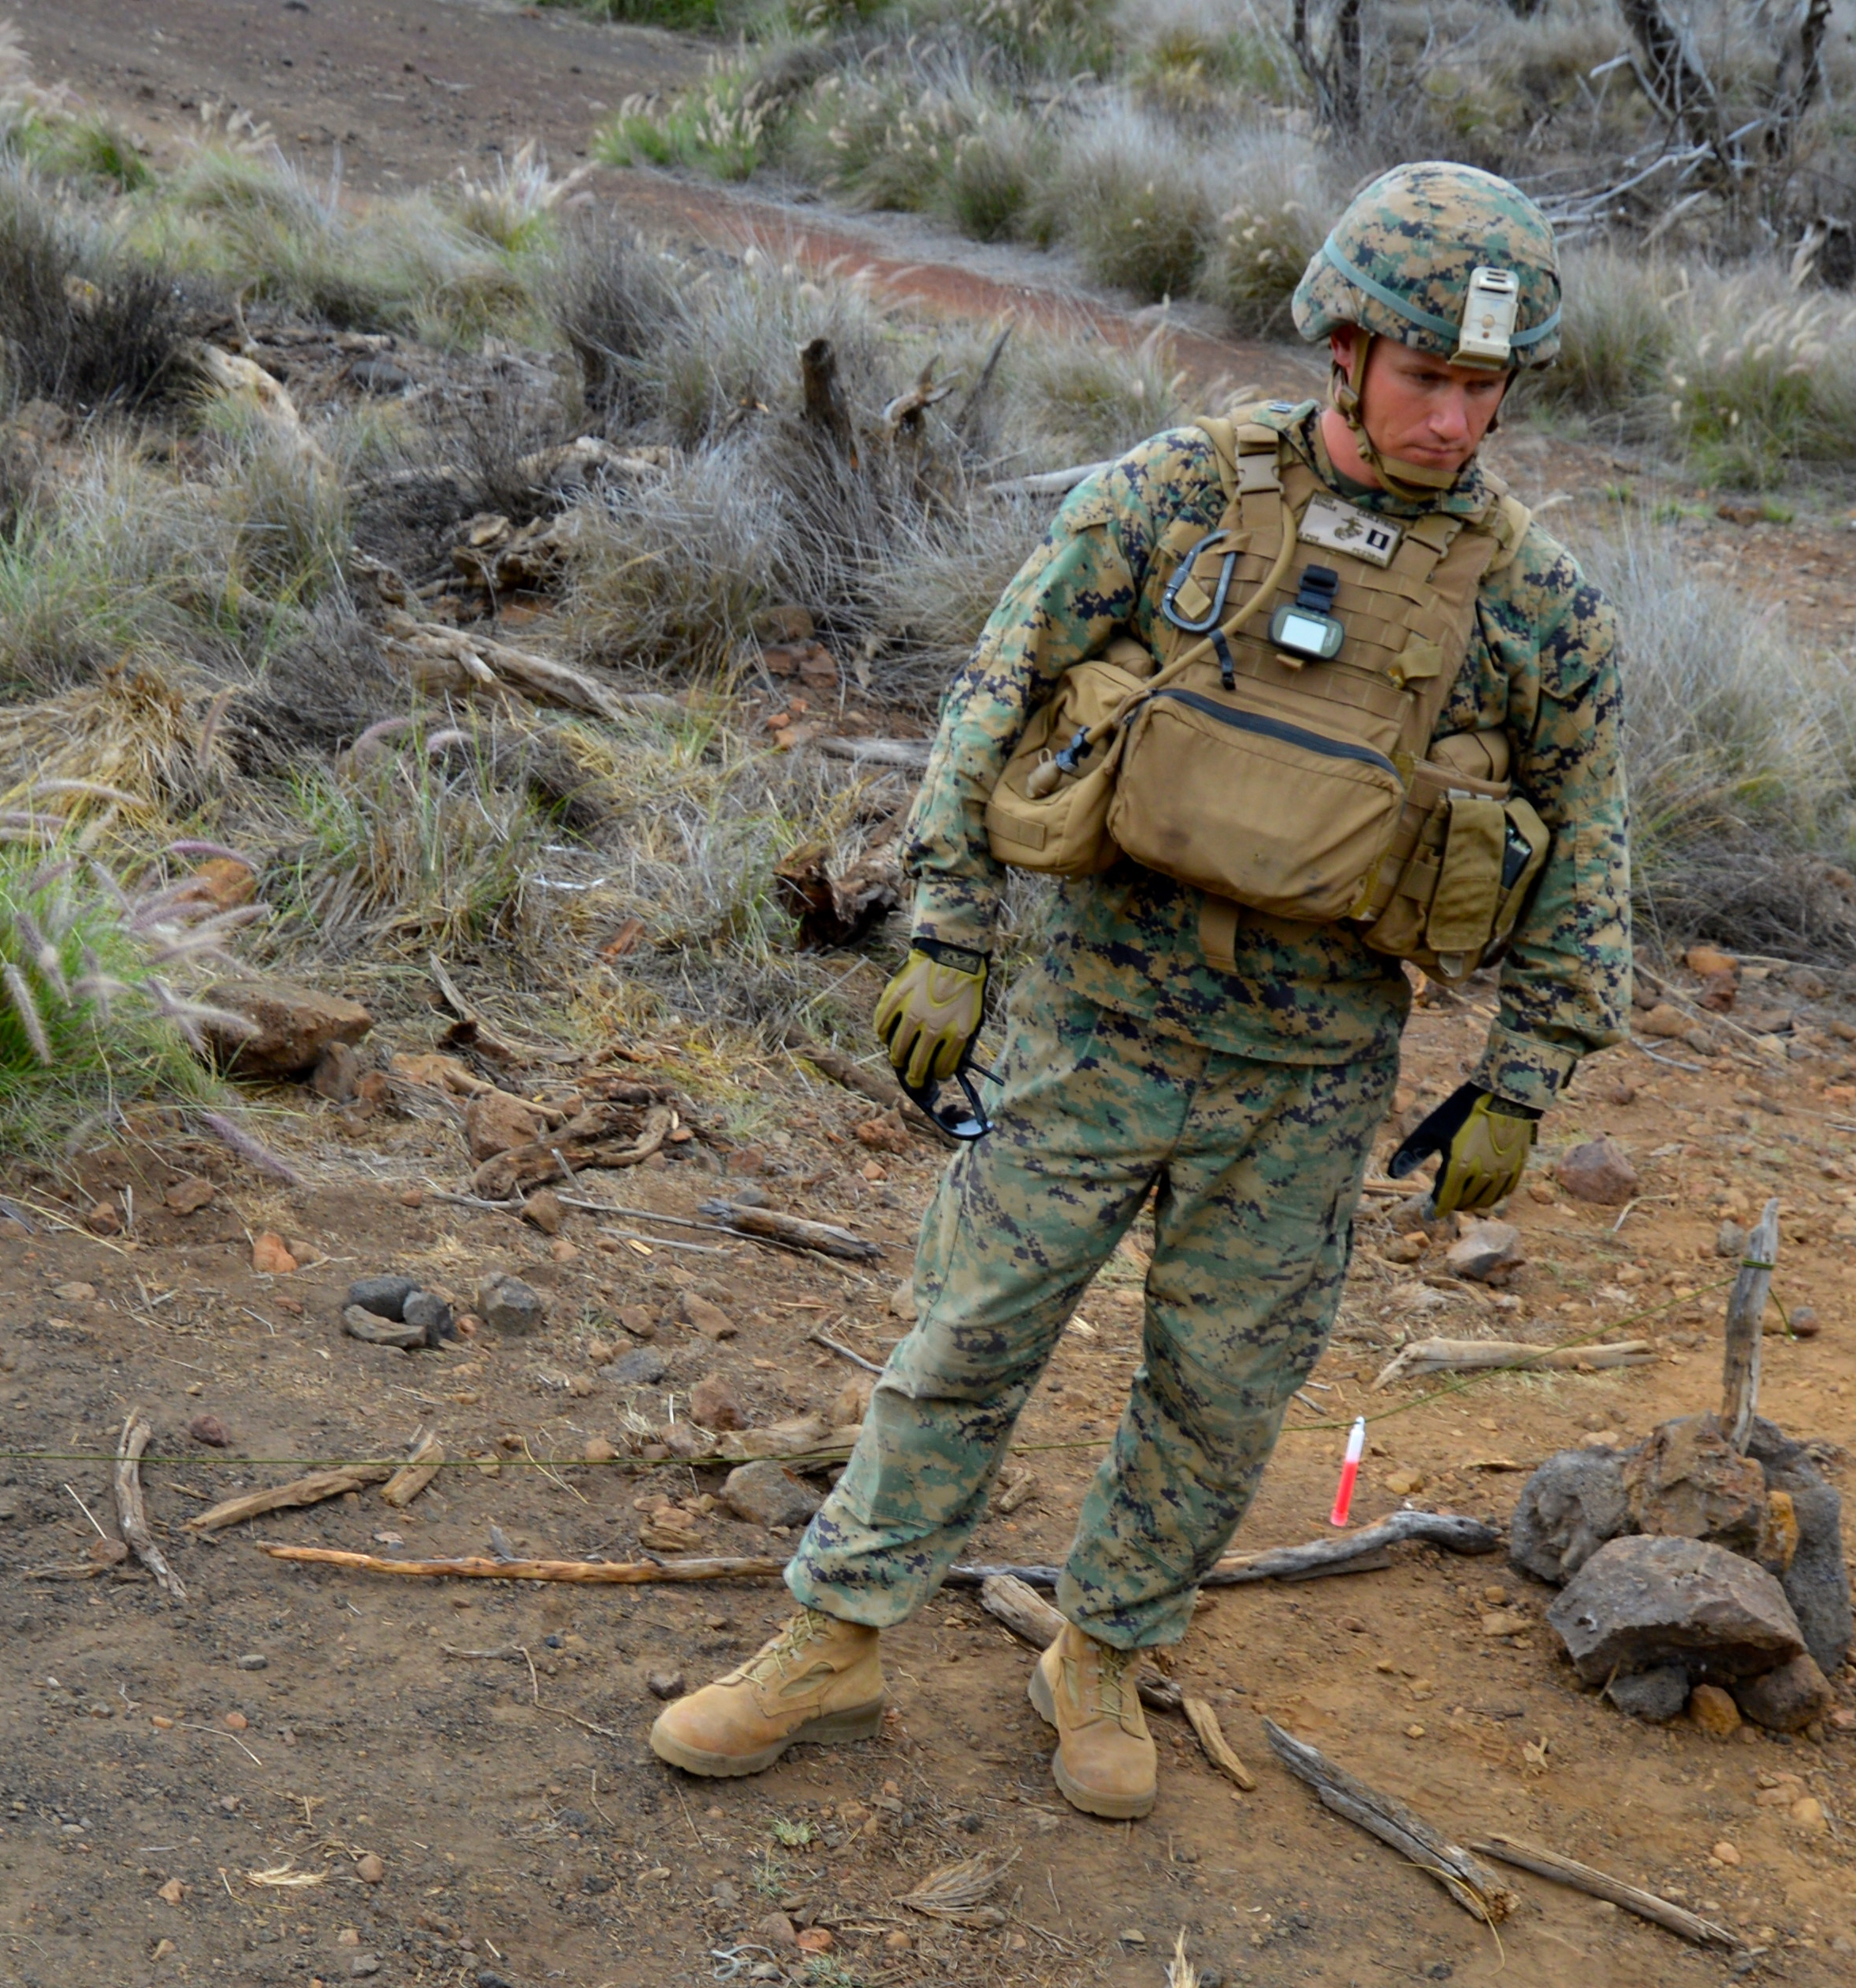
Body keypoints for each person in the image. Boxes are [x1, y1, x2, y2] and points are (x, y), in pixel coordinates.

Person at [645, 163, 1629, 1817]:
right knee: (969, 1330)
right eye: (1425, 378)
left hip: (1311, 1060)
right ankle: (830, 1639)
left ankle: (1099, 1648)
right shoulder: (1175, 496)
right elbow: (995, 691)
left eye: (1482, 387)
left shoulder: (1537, 608)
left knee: (1219, 1387)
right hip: (1095, 1009)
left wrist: (1527, 1077)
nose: (1454, 420)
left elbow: (1588, 847)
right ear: (1342, 347)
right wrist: (949, 934)